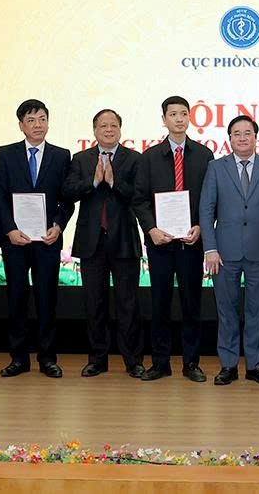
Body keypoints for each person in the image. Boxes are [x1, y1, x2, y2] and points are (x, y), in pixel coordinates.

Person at [133, 96, 212, 382]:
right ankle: (160, 363)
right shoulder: (149, 157)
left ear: (190, 118)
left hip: (191, 242)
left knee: (191, 304)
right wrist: (151, 229)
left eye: (183, 113)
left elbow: (210, 199)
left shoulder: (204, 155)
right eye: (173, 114)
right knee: (160, 304)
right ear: (164, 120)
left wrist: (201, 226)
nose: (179, 119)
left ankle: (191, 362)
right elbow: (139, 199)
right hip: (161, 244)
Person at [0, 99, 74, 378]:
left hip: (47, 241)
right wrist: (9, 229)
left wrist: (59, 226)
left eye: (42, 119)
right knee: (16, 299)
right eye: (31, 120)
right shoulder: (6, 153)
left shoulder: (61, 155)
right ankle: (18, 359)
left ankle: (47, 358)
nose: (37, 125)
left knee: (46, 300)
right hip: (15, 241)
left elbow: (67, 199)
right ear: (21, 125)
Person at [200, 115, 259, 386]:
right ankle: (228, 365)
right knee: (226, 310)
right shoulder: (216, 167)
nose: (243, 137)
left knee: (257, 310)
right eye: (237, 133)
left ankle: (256, 364)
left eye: (248, 133)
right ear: (230, 139)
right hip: (223, 253)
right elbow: (206, 210)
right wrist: (210, 248)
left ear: (256, 137)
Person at [63, 109, 146, 379]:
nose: (108, 130)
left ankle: (133, 361)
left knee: (128, 304)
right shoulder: (81, 159)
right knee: (94, 304)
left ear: (120, 129)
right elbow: (68, 191)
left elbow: (139, 195)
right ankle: (97, 359)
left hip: (124, 240)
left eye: (113, 125)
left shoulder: (135, 159)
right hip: (92, 241)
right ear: (94, 130)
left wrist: (113, 181)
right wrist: (94, 181)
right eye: (103, 125)